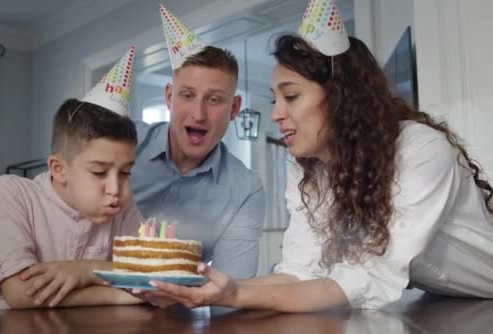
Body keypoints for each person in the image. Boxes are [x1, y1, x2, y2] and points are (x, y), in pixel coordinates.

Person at [143, 1, 493, 311]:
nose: (276, 114)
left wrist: (236, 296)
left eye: (291, 97)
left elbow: (365, 276)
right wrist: (221, 289)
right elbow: (300, 272)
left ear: (341, 98)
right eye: (274, 99)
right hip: (449, 301)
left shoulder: (421, 151)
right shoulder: (309, 171)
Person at [0, 48, 144, 309]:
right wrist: (121, 293)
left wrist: (87, 270)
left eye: (125, 172)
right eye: (99, 172)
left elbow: (152, 281)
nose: (116, 189)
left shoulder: (124, 208)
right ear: (59, 169)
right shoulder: (10, 193)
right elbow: (22, 293)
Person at [131, 5, 266, 284]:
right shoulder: (124, 143)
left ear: (234, 107)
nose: (199, 114)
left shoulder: (245, 191)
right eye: (187, 95)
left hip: (178, 320)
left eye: (214, 99)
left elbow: (228, 295)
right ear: (169, 97)